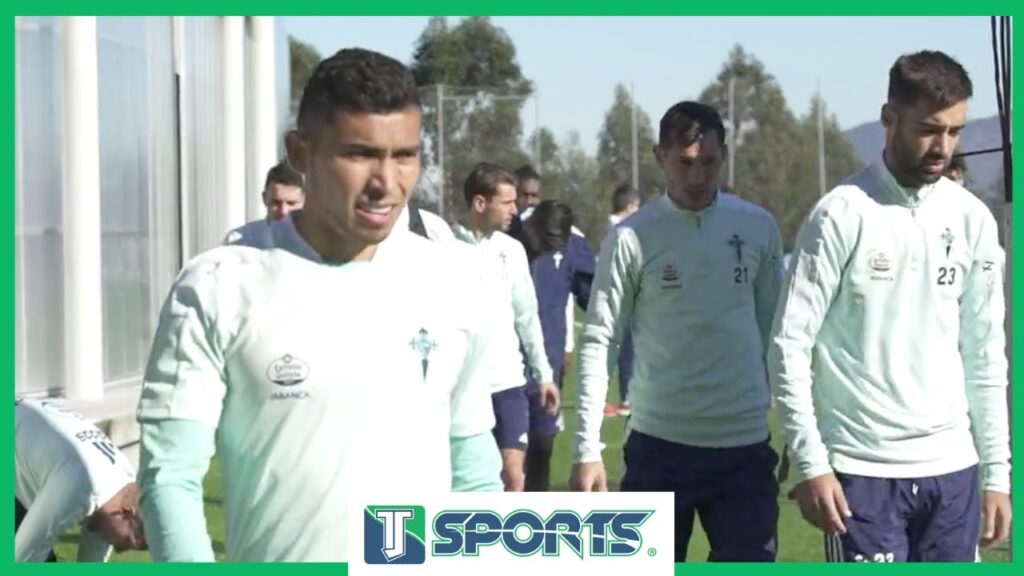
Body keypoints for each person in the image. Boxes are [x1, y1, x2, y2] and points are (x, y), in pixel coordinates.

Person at [137, 47, 502, 563]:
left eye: (404, 156)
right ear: (301, 152)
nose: (386, 183)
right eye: (358, 154)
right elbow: (169, 477)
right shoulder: (219, 285)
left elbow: (473, 469)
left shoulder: (454, 281)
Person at [768, 50, 1011, 563]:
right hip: (863, 474)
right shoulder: (839, 215)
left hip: (954, 472)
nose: (942, 146)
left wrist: (997, 474)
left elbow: (986, 356)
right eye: (929, 129)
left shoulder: (972, 219)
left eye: (954, 131)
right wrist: (812, 463)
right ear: (889, 119)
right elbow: (788, 347)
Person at [571, 100, 784, 563]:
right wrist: (586, 447)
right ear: (659, 156)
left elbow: (778, 336)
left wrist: (795, 433)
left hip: (744, 448)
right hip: (658, 451)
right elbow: (600, 339)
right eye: (685, 163)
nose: (697, 176)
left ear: (723, 155)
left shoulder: (757, 226)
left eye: (709, 162)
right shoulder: (631, 236)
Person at [452, 162, 559, 493]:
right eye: (508, 202)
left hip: (509, 384)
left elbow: (527, 316)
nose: (516, 209)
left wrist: (543, 374)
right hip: (465, 388)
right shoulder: (443, 250)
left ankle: (510, 546)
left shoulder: (511, 251)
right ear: (480, 203)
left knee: (513, 477)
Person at [517, 200, 596, 491]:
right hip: (502, 369)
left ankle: (534, 528)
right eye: (546, 241)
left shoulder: (574, 246)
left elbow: (593, 297)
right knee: (507, 461)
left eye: (556, 244)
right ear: (532, 227)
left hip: (547, 370)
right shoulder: (508, 242)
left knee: (542, 451)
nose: (549, 248)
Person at [15, 397, 146, 562]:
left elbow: (92, 558)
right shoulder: (78, 489)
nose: (119, 550)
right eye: (127, 543)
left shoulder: (120, 484)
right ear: (125, 512)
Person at [603, 182, 641, 417]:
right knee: (625, 348)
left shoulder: (618, 227)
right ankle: (626, 396)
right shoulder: (620, 229)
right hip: (621, 296)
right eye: (636, 206)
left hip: (622, 295)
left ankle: (627, 395)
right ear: (628, 207)